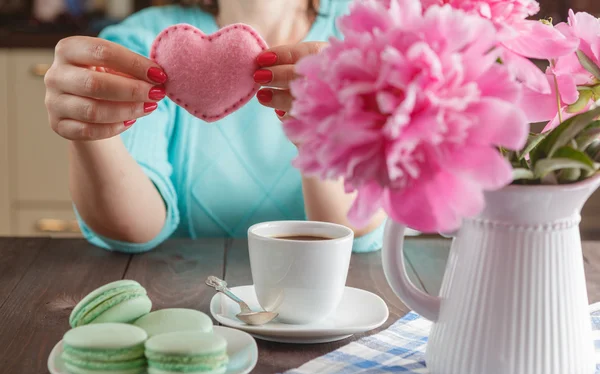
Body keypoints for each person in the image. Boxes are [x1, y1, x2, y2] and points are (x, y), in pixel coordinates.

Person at [43, 0, 387, 253]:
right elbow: (133, 227)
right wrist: (91, 128)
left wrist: (323, 139)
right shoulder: (141, 41)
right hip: (182, 301)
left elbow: (352, 231)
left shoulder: (368, 31)